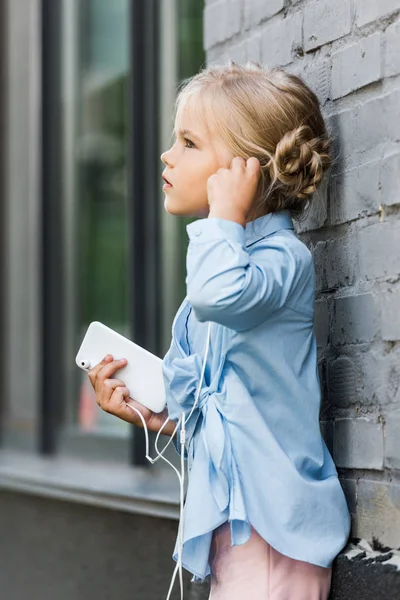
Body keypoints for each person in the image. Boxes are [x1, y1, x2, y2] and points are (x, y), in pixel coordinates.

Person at [88, 62, 351, 600]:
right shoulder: (218, 273)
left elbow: (220, 295)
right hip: (237, 534)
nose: (167, 156)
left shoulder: (280, 260)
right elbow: (221, 422)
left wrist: (223, 221)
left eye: (188, 142)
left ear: (244, 170)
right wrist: (153, 416)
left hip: (278, 535)